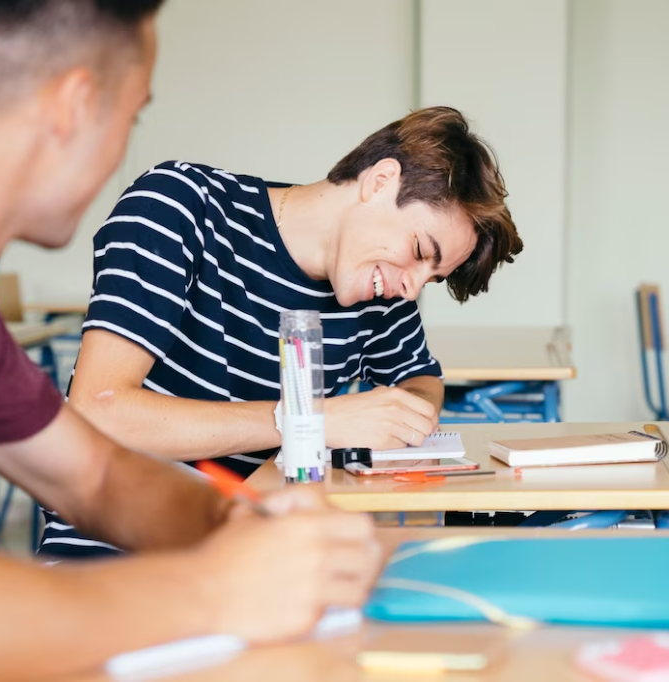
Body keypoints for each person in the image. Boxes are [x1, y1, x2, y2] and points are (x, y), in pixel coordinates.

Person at [0, 1, 380, 679]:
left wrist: (236, 525)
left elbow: (95, 473)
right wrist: (216, 590)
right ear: (76, 106)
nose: (123, 146)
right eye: (132, 114)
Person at [42, 106, 524, 558]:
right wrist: (308, 422)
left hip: (255, 554)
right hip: (117, 556)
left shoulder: (378, 291)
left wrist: (401, 417)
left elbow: (419, 379)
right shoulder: (179, 206)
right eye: (420, 250)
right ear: (381, 181)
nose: (411, 288)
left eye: (431, 280)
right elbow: (98, 412)